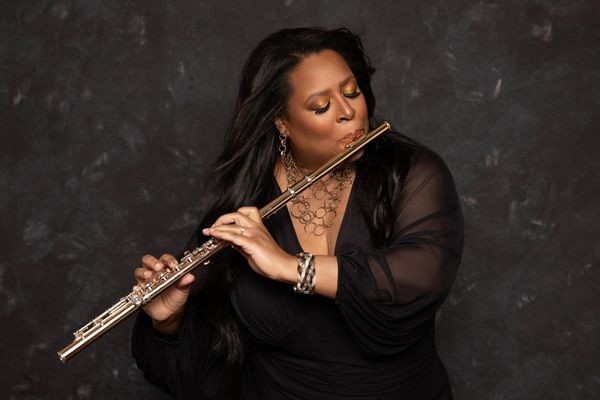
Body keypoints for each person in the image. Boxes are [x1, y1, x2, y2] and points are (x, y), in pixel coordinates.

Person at [131, 27, 464, 400]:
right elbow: (208, 364)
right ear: (282, 123)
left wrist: (288, 266)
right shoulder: (247, 208)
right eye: (321, 107)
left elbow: (423, 272)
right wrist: (169, 323)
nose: (348, 112)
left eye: (351, 92)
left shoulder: (413, 173)